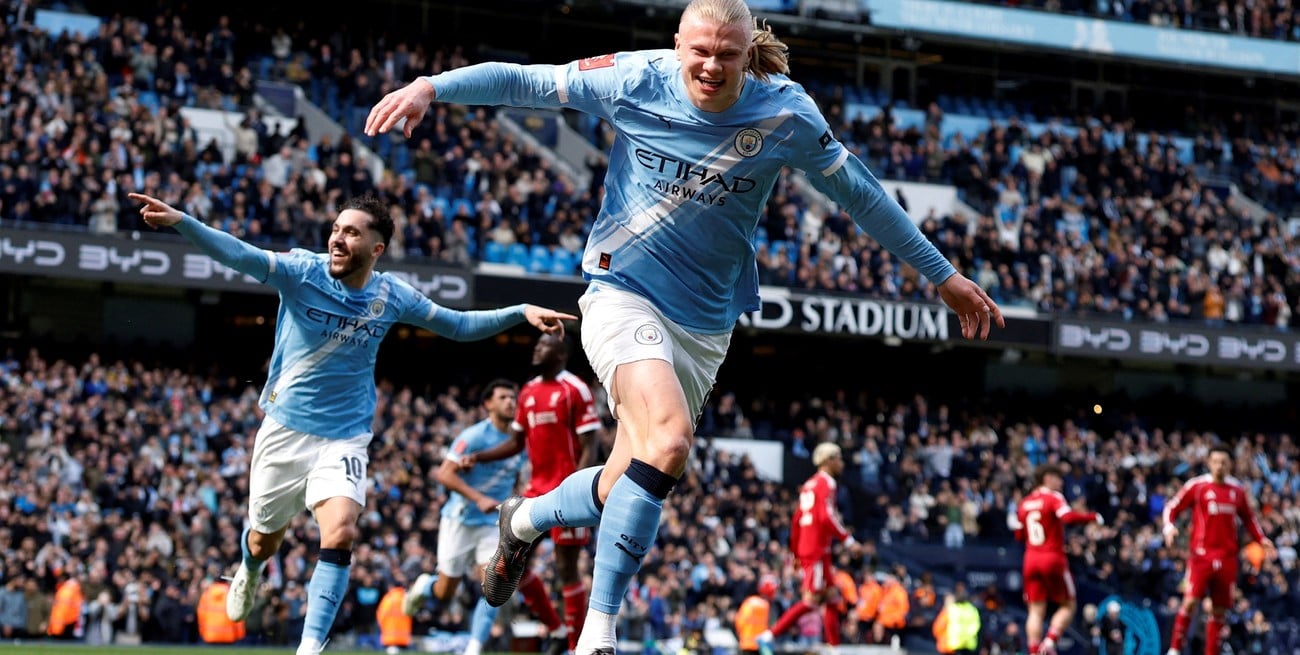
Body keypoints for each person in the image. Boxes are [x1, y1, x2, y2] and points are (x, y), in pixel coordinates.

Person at [365, 1, 1003, 653]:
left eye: (727, 54)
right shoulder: (635, 78)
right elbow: (530, 81)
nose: (710, 64)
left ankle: (523, 516)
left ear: (748, 51)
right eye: (699, 50)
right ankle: (599, 633)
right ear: (677, 43)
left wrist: (941, 275)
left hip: (703, 325)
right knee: (670, 440)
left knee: (620, 482)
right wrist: (431, 87)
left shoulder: (785, 112)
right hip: (622, 293)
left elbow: (861, 193)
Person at [127, 192, 575, 655]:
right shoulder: (303, 271)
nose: (337, 239)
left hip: (345, 437)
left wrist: (520, 312)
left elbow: (457, 326)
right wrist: (183, 221)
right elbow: (240, 255)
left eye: (351, 232)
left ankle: (310, 649)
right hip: (284, 431)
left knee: (340, 530)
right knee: (263, 541)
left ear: (376, 249)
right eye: (336, 229)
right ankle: (250, 567)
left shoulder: (392, 295)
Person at [454, 333, 606, 654]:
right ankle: (555, 628)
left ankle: (573, 644)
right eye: (535, 344)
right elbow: (514, 443)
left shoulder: (575, 390)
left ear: (560, 354)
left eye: (543, 345)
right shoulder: (529, 391)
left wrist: (578, 490)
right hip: (535, 493)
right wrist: (477, 457)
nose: (536, 348)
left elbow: (590, 445)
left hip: (567, 494)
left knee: (567, 568)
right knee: (513, 563)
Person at [404, 379, 527, 655]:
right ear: (488, 404)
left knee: (493, 584)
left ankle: (473, 647)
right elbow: (444, 474)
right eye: (504, 397)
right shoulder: (472, 437)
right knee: (446, 592)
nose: (511, 402)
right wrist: (478, 498)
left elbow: (515, 477)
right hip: (460, 520)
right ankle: (427, 585)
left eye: (513, 397)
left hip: (491, 525)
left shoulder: (520, 441)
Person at [1162, 444, 1273, 655]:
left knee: (1219, 610)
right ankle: (1175, 649)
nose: (1219, 466)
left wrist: (1261, 539)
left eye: (1224, 462)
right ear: (1209, 463)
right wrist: (1169, 528)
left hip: (1227, 558)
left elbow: (1249, 518)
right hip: (1201, 556)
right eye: (1215, 461)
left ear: (1230, 464)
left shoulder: (1237, 491)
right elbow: (1172, 506)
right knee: (1191, 601)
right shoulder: (1198, 486)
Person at [759, 442, 855, 649]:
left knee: (831, 597)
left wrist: (795, 552)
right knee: (811, 600)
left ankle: (834, 647)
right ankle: (769, 636)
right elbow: (825, 515)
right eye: (838, 458)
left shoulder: (809, 484)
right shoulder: (826, 483)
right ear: (828, 461)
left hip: (811, 546)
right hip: (817, 548)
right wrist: (847, 539)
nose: (841, 463)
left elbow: (797, 520)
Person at [1009, 463, 1103, 655]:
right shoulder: (1053, 497)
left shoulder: (1024, 503)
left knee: (1035, 611)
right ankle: (1050, 642)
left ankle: (1034, 651)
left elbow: (1019, 536)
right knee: (1069, 605)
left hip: (1031, 559)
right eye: (1058, 477)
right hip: (1052, 558)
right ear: (1047, 478)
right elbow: (1067, 517)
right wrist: (1093, 517)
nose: (1061, 482)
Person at [736, 576, 778, 655]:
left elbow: (739, 622)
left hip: (746, 643)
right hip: (762, 645)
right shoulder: (767, 605)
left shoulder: (749, 602)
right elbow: (772, 625)